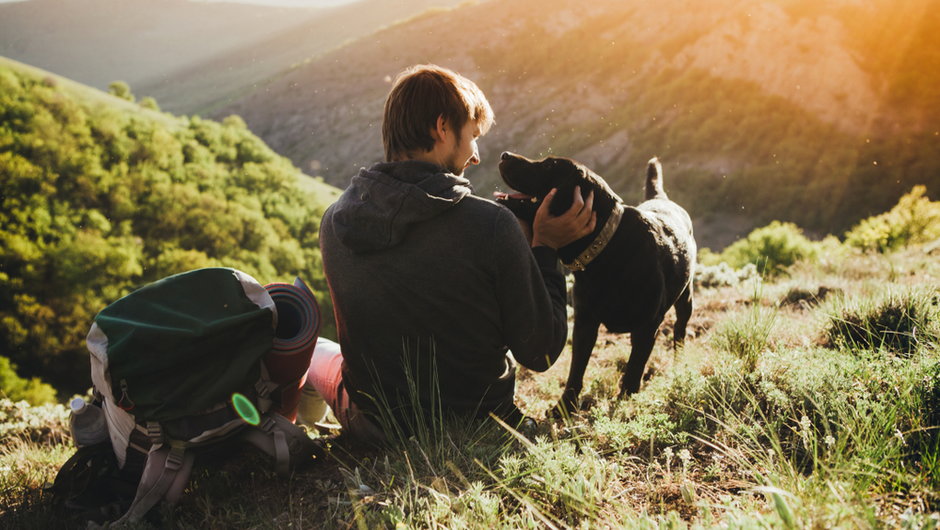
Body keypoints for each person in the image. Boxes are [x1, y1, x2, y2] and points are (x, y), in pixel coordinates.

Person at [304, 64, 595, 442]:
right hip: (479, 422)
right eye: (473, 136)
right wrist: (545, 249)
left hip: (377, 428)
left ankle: (299, 431)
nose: (475, 156)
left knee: (314, 354)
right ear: (442, 128)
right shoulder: (490, 225)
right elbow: (540, 354)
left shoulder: (334, 222)